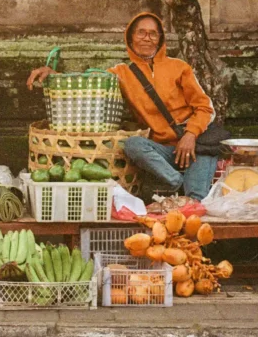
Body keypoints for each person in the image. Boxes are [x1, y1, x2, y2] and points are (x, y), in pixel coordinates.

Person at [27, 12, 218, 200]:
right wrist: (54, 75)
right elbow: (88, 82)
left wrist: (190, 134)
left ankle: (188, 189)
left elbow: (206, 107)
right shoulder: (122, 73)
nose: (147, 38)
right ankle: (177, 182)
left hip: (195, 146)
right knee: (133, 144)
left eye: (153, 34)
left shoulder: (179, 68)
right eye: (141, 33)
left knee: (196, 201)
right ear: (131, 37)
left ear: (160, 39)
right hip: (160, 151)